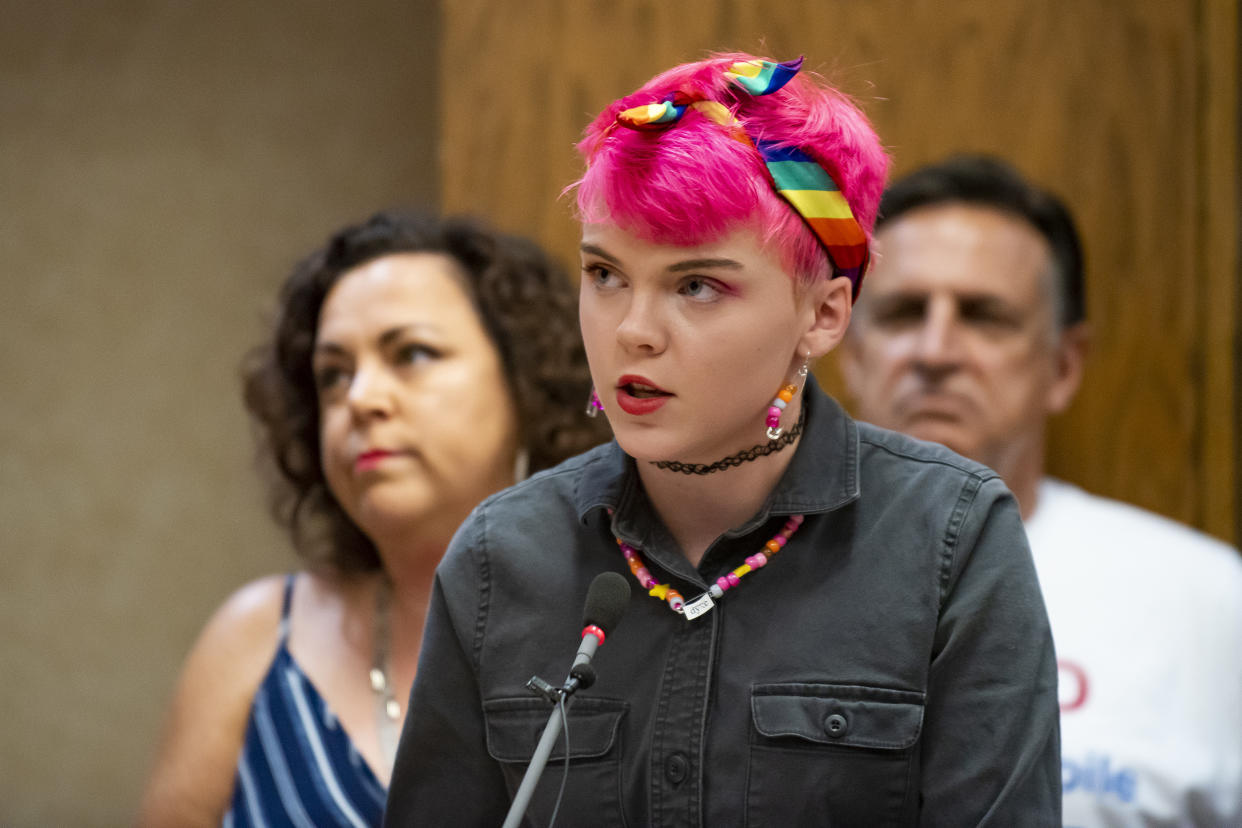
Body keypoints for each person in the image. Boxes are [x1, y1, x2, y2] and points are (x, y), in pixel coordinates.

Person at [384, 56, 1060, 826]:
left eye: (696, 285)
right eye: (605, 274)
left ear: (825, 315)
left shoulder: (951, 539)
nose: (632, 331)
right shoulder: (498, 559)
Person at [137, 211, 608, 827]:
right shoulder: (254, 640)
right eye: (334, 375)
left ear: (527, 383)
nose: (359, 399)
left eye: (412, 353)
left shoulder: (621, 632)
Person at [839, 154, 1242, 825]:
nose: (935, 351)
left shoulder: (1206, 602)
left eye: (984, 316)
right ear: (850, 350)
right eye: (904, 313)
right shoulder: (752, 574)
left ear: (1063, 365)